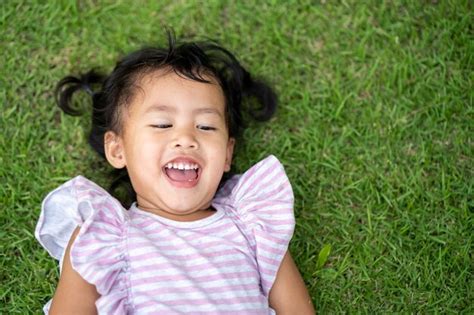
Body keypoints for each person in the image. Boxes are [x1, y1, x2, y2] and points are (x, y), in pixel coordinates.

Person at [35, 33, 314, 314]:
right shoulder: (101, 236)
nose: (186, 138)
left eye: (206, 126)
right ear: (118, 149)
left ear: (227, 154)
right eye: (162, 124)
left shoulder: (253, 224)